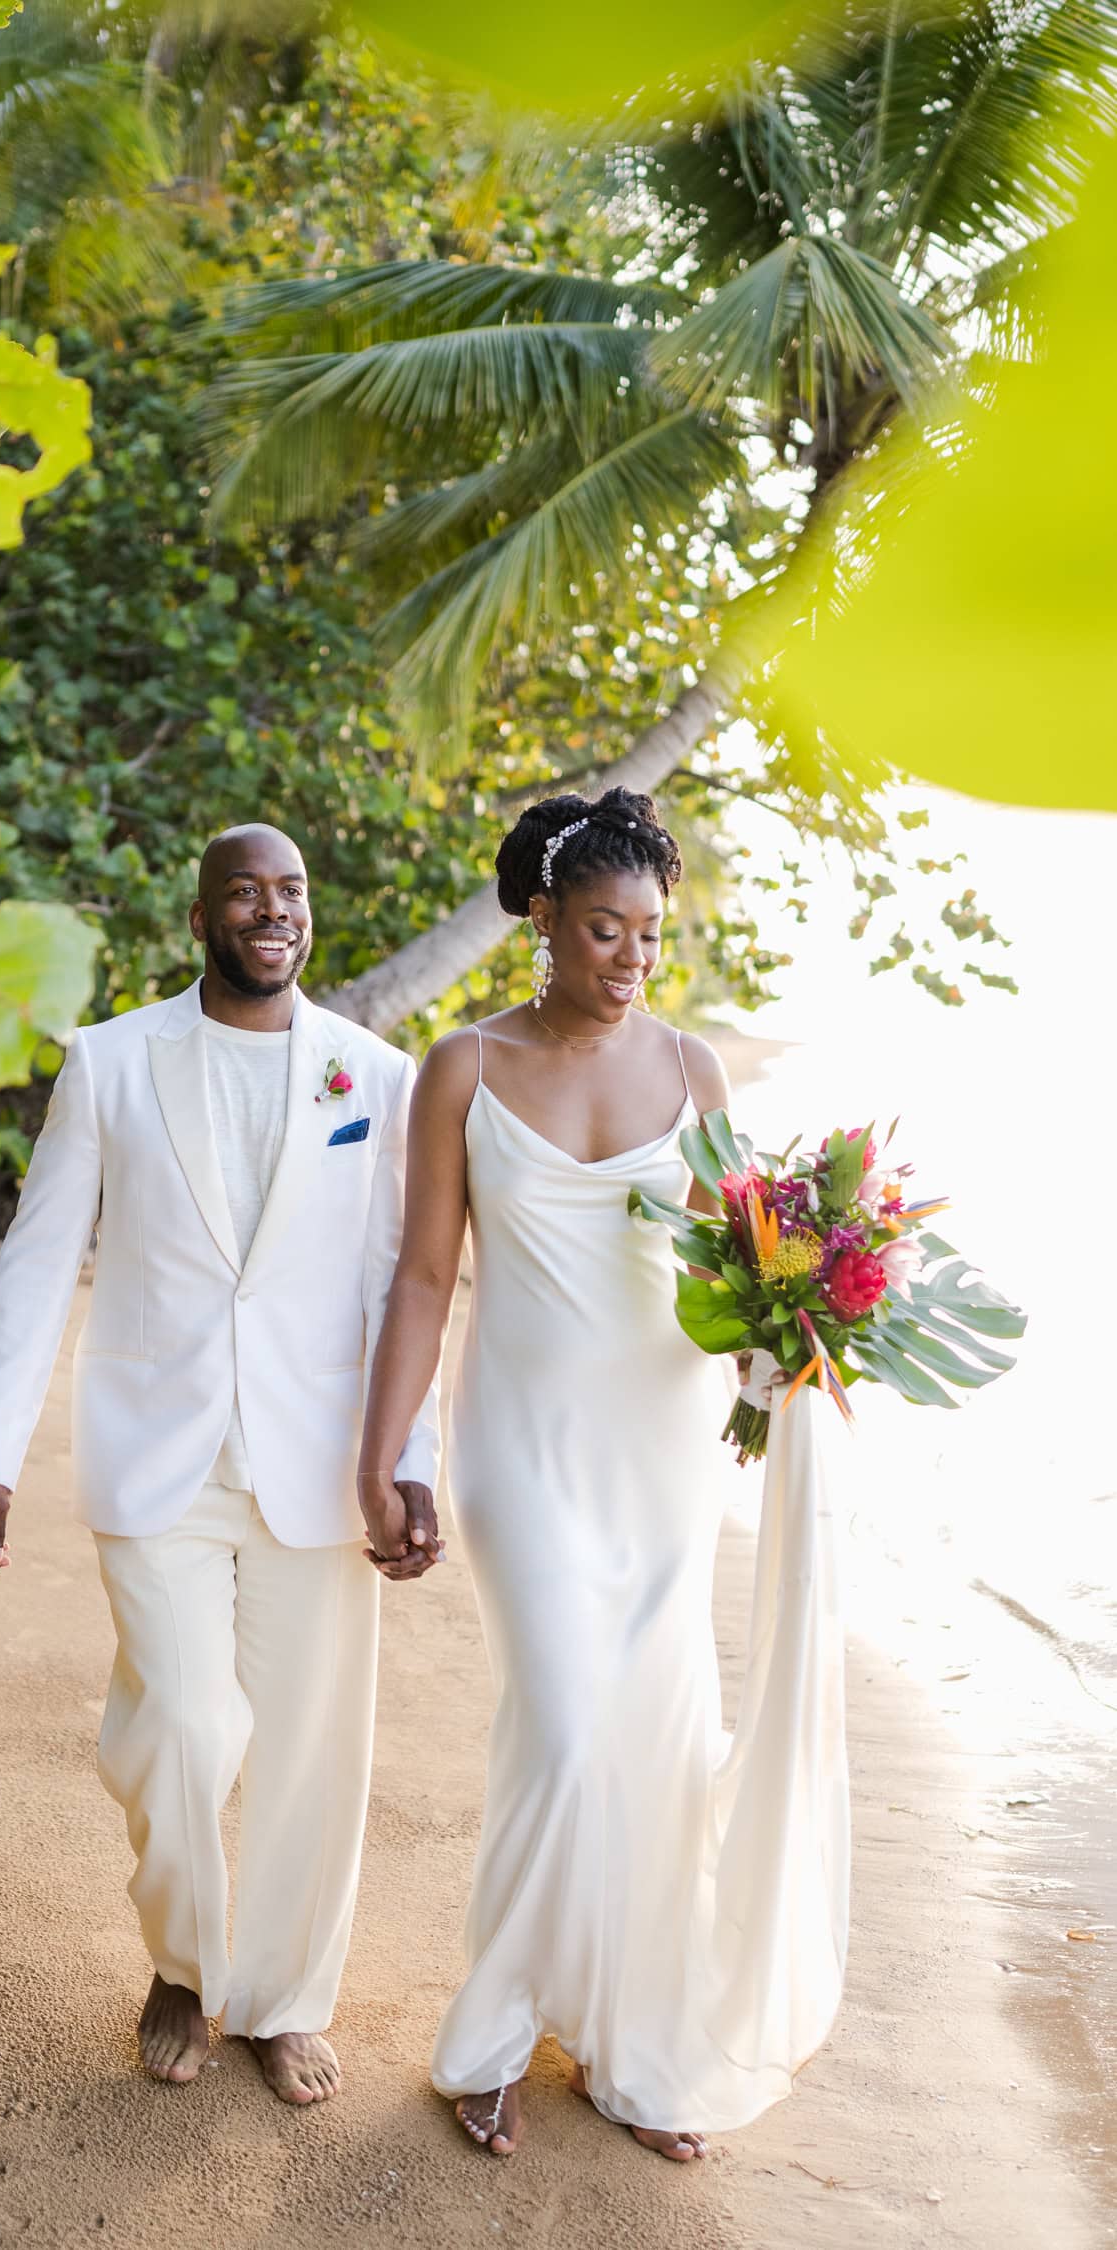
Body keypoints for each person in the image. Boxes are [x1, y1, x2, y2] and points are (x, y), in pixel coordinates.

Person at [356, 786, 848, 2160]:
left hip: (663, 1444)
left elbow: (739, 1264)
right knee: (567, 1730)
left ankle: (636, 2038)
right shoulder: (463, 1066)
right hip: (518, 1437)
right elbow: (421, 1278)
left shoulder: (693, 1072)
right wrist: (387, 1454)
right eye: (601, 929)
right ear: (543, 921)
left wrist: (805, 1335)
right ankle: (496, 2032)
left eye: (645, 933)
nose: (628, 957)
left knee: (656, 1740)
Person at [0, 824, 440, 2105]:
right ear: (202, 914)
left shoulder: (374, 1078)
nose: (272, 912)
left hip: (319, 1461)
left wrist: (410, 1460)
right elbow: (41, 1255)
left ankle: (282, 1999)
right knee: (184, 1722)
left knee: (311, 1749)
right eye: (245, 892)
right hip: (156, 1453)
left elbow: (407, 1285)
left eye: (293, 891)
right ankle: (183, 1963)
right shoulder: (111, 1063)